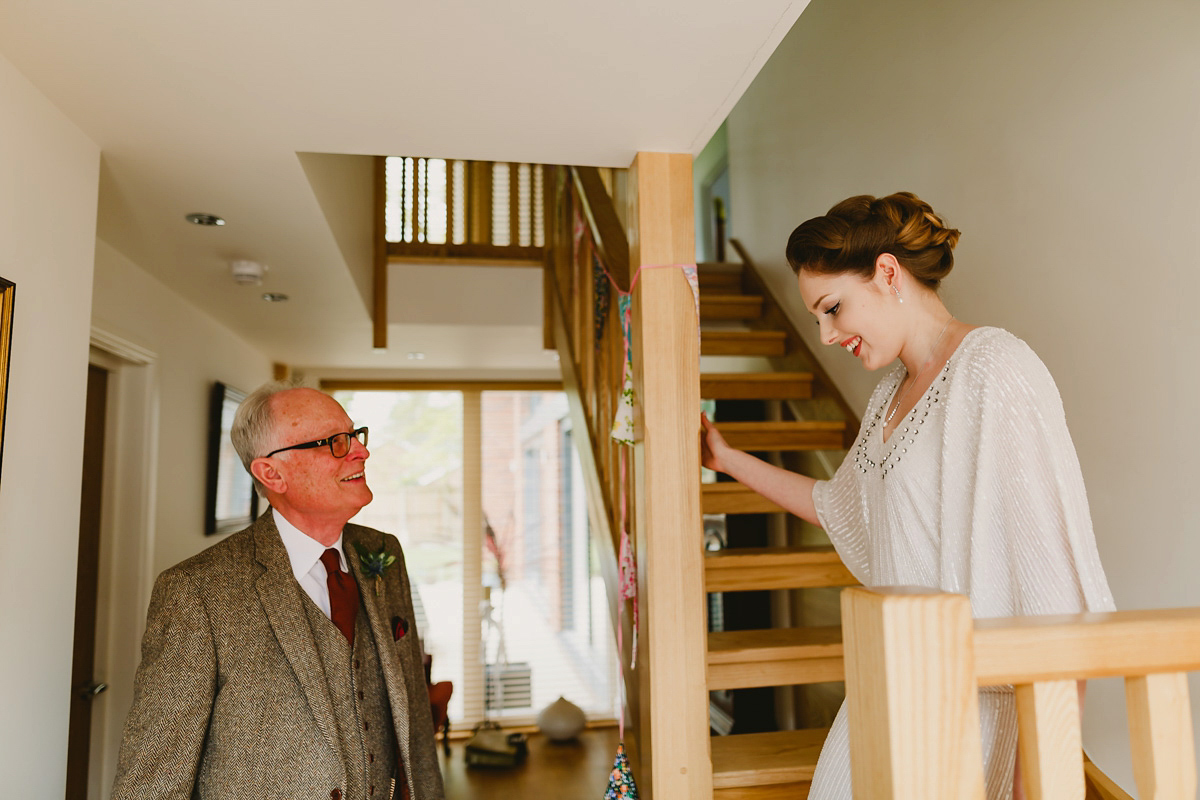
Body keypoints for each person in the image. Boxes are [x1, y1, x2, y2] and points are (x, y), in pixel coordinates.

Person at [700, 192, 1114, 800]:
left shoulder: (995, 370)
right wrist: (728, 460)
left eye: (833, 308)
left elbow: (1057, 603)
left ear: (887, 272)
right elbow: (836, 506)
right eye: (816, 317)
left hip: (968, 715)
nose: (825, 333)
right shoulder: (887, 398)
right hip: (883, 696)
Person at [111, 384, 445, 800]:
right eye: (334, 443)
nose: (360, 452)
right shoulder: (196, 592)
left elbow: (412, 723)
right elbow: (153, 779)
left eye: (354, 435)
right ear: (272, 474)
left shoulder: (383, 554)